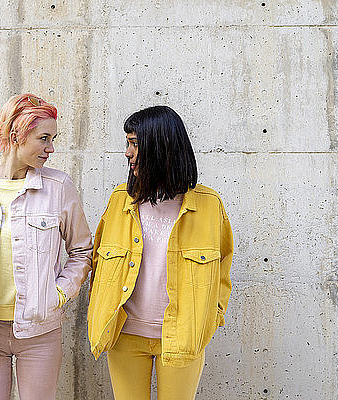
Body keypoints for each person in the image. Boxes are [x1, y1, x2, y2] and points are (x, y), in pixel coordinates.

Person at [0, 93, 92, 400]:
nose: (51, 148)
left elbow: (82, 251)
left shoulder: (58, 188)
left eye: (53, 138)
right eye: (44, 138)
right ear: (16, 136)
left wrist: (58, 294)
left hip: (39, 331)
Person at [87, 105, 233, 399]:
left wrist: (211, 318)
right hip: (125, 335)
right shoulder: (119, 200)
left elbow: (222, 272)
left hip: (182, 336)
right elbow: (98, 263)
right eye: (127, 143)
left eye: (134, 144)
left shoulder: (208, 204)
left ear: (161, 146)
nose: (127, 153)